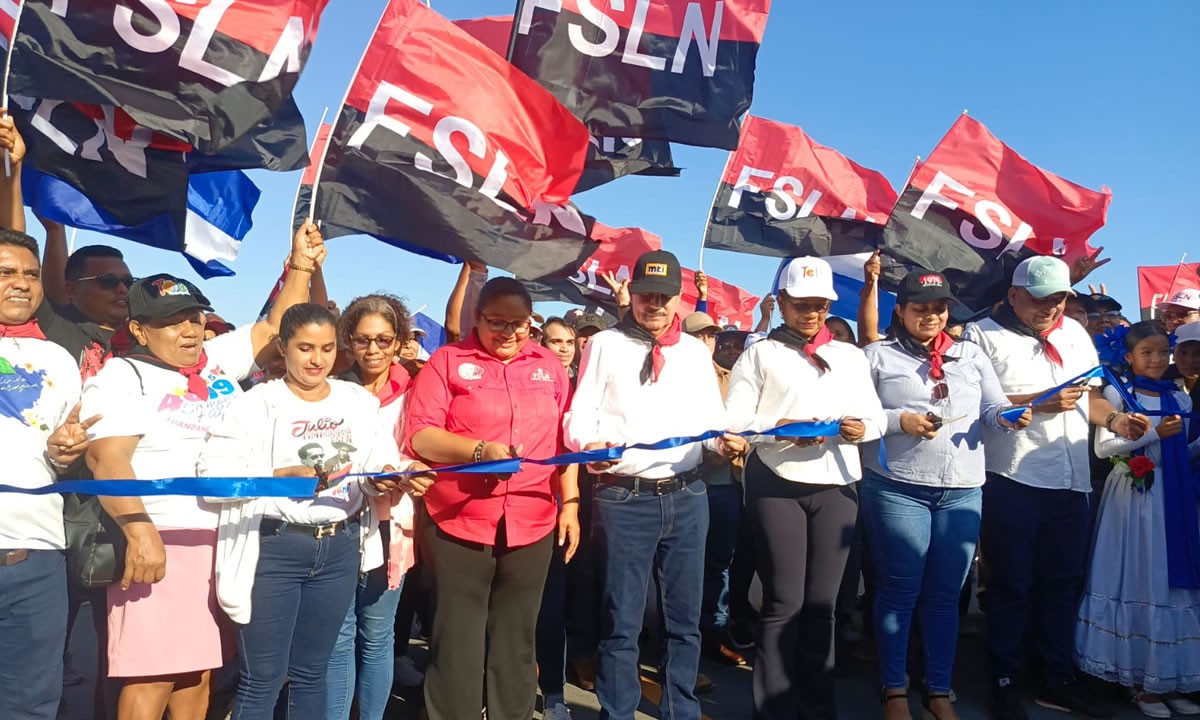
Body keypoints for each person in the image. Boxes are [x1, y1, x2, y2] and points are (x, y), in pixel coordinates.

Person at [82, 225, 325, 720]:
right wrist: (138, 528)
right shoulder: (122, 375)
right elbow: (105, 459)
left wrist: (300, 263)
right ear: (141, 329)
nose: (189, 330)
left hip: (225, 541)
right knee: (151, 676)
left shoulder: (213, 364)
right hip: (160, 538)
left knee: (198, 676)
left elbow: (271, 327)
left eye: (193, 317)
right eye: (172, 321)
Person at [195, 303, 431, 720]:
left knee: (312, 673)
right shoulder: (256, 403)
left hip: (339, 548)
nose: (316, 359)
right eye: (305, 348)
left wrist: (389, 477)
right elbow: (212, 476)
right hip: (275, 547)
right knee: (262, 678)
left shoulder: (356, 401)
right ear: (283, 348)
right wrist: (276, 476)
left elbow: (378, 464)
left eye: (325, 348)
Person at [961, 256, 1149, 720]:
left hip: (1071, 479)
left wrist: (1117, 419)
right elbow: (977, 403)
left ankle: (1055, 677)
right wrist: (1039, 404)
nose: (1050, 308)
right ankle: (1005, 678)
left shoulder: (1073, 333)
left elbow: (1088, 396)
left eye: (1059, 299)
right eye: (1040, 299)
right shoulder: (981, 335)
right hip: (1011, 478)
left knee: (1063, 583)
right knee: (1011, 585)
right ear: (1013, 295)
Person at [564, 250, 748, 720]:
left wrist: (724, 444)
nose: (656, 305)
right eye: (648, 295)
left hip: (688, 496)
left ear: (678, 300)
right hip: (625, 499)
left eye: (665, 297)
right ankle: (618, 711)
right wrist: (590, 442)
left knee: (684, 621)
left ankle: (679, 710)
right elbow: (579, 413)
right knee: (622, 621)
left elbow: (710, 420)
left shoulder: (691, 351)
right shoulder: (603, 344)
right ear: (633, 294)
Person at [404, 277, 580, 720]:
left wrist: (572, 503)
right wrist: (478, 451)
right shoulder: (447, 361)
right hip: (458, 519)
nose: (508, 333)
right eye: (496, 322)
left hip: (533, 519)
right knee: (457, 637)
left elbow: (568, 440)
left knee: (517, 637)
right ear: (477, 318)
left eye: (518, 324)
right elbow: (421, 435)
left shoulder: (549, 367)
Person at [862, 271, 1032, 720]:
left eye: (939, 308)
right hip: (899, 486)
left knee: (943, 597)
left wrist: (1010, 417)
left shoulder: (970, 355)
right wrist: (901, 419)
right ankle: (893, 690)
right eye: (920, 307)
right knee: (899, 591)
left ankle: (939, 690)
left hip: (961, 490)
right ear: (900, 311)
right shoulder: (877, 355)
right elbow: (856, 415)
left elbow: (992, 409)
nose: (931, 315)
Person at [724, 256, 887, 720]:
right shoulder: (761, 353)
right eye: (801, 305)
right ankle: (772, 709)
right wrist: (782, 428)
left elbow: (873, 416)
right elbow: (735, 420)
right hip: (776, 481)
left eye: (819, 305)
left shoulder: (850, 356)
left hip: (836, 483)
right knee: (783, 601)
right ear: (782, 303)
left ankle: (817, 707)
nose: (811, 313)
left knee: (823, 604)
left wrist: (860, 429)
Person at [1076, 322, 1200, 718]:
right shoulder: (1117, 392)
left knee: (1168, 582)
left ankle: (1166, 678)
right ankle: (1136, 682)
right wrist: (1154, 435)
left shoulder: (1179, 396)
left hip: (1173, 495)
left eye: (1163, 352)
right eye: (1147, 352)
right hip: (1134, 494)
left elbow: (1184, 449)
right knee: (1138, 575)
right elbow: (1104, 447)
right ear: (1128, 357)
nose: (1157, 359)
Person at [0, 226, 99, 720]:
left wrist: (68, 452)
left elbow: (63, 452)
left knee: (32, 705)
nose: (21, 283)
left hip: (36, 557)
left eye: (31, 274)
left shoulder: (58, 358)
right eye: (5, 272)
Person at [325, 294, 426, 718]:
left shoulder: (418, 389)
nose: (373, 350)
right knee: (339, 633)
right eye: (363, 340)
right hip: (340, 521)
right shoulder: (329, 388)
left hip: (394, 523)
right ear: (348, 340)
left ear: (399, 341)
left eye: (384, 340)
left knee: (378, 633)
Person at [682, 310, 747, 668]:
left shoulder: (735, 377)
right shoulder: (672, 374)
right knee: (682, 566)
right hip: (688, 482)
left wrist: (736, 448)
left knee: (720, 563)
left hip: (727, 486)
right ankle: (677, 634)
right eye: (700, 336)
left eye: (712, 337)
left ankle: (715, 632)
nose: (707, 343)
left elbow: (748, 425)